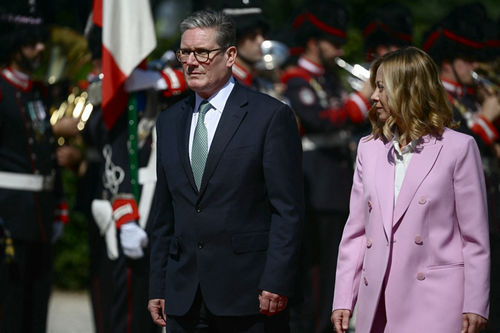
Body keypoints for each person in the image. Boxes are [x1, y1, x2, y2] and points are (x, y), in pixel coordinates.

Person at [147, 9, 303, 332]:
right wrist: (157, 285)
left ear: (230, 55)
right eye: (185, 53)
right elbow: (164, 213)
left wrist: (277, 278)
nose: (191, 62)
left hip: (248, 295)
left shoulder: (269, 117)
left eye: (202, 52)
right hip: (184, 296)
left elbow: (287, 210)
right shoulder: (169, 120)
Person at [331, 46, 490, 333]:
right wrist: (343, 298)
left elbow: (474, 238)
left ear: (408, 89)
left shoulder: (459, 148)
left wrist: (476, 302)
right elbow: (355, 232)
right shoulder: (369, 149)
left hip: (438, 302)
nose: (373, 96)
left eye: (381, 87)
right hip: (378, 300)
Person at [280, 2, 368, 332]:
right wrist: (362, 100)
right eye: (333, 41)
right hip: (315, 186)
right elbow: (319, 121)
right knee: (317, 275)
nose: (340, 49)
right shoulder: (296, 79)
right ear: (314, 42)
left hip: (338, 184)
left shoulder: (331, 79)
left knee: (337, 273)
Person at [0, 2, 68, 332]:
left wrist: (60, 206)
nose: (40, 47)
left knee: (36, 310)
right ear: (13, 45)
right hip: (7, 217)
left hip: (39, 215)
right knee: (8, 310)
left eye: (40, 40)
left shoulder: (38, 93)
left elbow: (45, 154)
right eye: (31, 41)